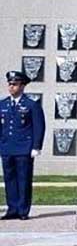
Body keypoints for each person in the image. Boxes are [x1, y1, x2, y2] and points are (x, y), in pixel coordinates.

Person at [2, 70, 43, 221]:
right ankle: (12, 209)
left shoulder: (31, 105)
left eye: (15, 84)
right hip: (7, 147)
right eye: (10, 84)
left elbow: (39, 126)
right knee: (9, 179)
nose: (11, 87)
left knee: (23, 179)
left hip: (24, 148)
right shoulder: (3, 104)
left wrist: (36, 146)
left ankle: (22, 210)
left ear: (22, 86)